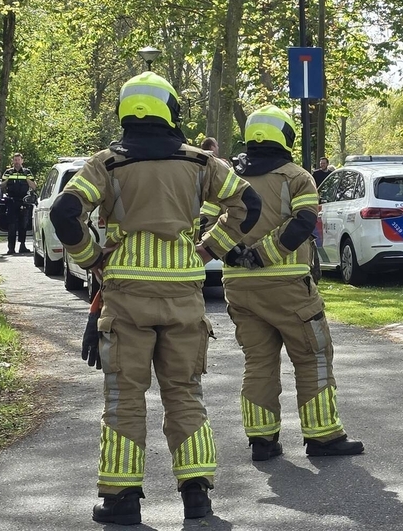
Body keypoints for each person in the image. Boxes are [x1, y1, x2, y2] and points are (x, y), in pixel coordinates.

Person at [49, 71, 262, 525]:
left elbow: (66, 211)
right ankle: (197, 497)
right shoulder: (202, 163)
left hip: (126, 294)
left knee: (125, 397)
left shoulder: (105, 164)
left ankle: (121, 501)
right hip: (184, 292)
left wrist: (91, 257)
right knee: (185, 393)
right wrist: (210, 247)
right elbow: (249, 204)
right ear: (169, 109)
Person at [220, 105, 363, 462]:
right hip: (287, 288)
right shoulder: (296, 176)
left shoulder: (229, 179)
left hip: (238, 289)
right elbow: (302, 223)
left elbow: (212, 224)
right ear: (285, 136)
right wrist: (263, 255)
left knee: (258, 362)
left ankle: (262, 441)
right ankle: (323, 437)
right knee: (312, 356)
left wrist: (236, 254)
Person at [0, 152, 36, 254]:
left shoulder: (27, 172)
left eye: (18, 160)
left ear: (22, 161)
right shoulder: (8, 172)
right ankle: (11, 248)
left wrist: (26, 178)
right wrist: (7, 180)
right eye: (15, 160)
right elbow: (2, 186)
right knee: (12, 225)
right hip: (11, 201)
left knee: (23, 224)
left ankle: (22, 246)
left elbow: (34, 186)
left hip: (23, 201)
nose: (17, 162)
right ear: (12, 161)